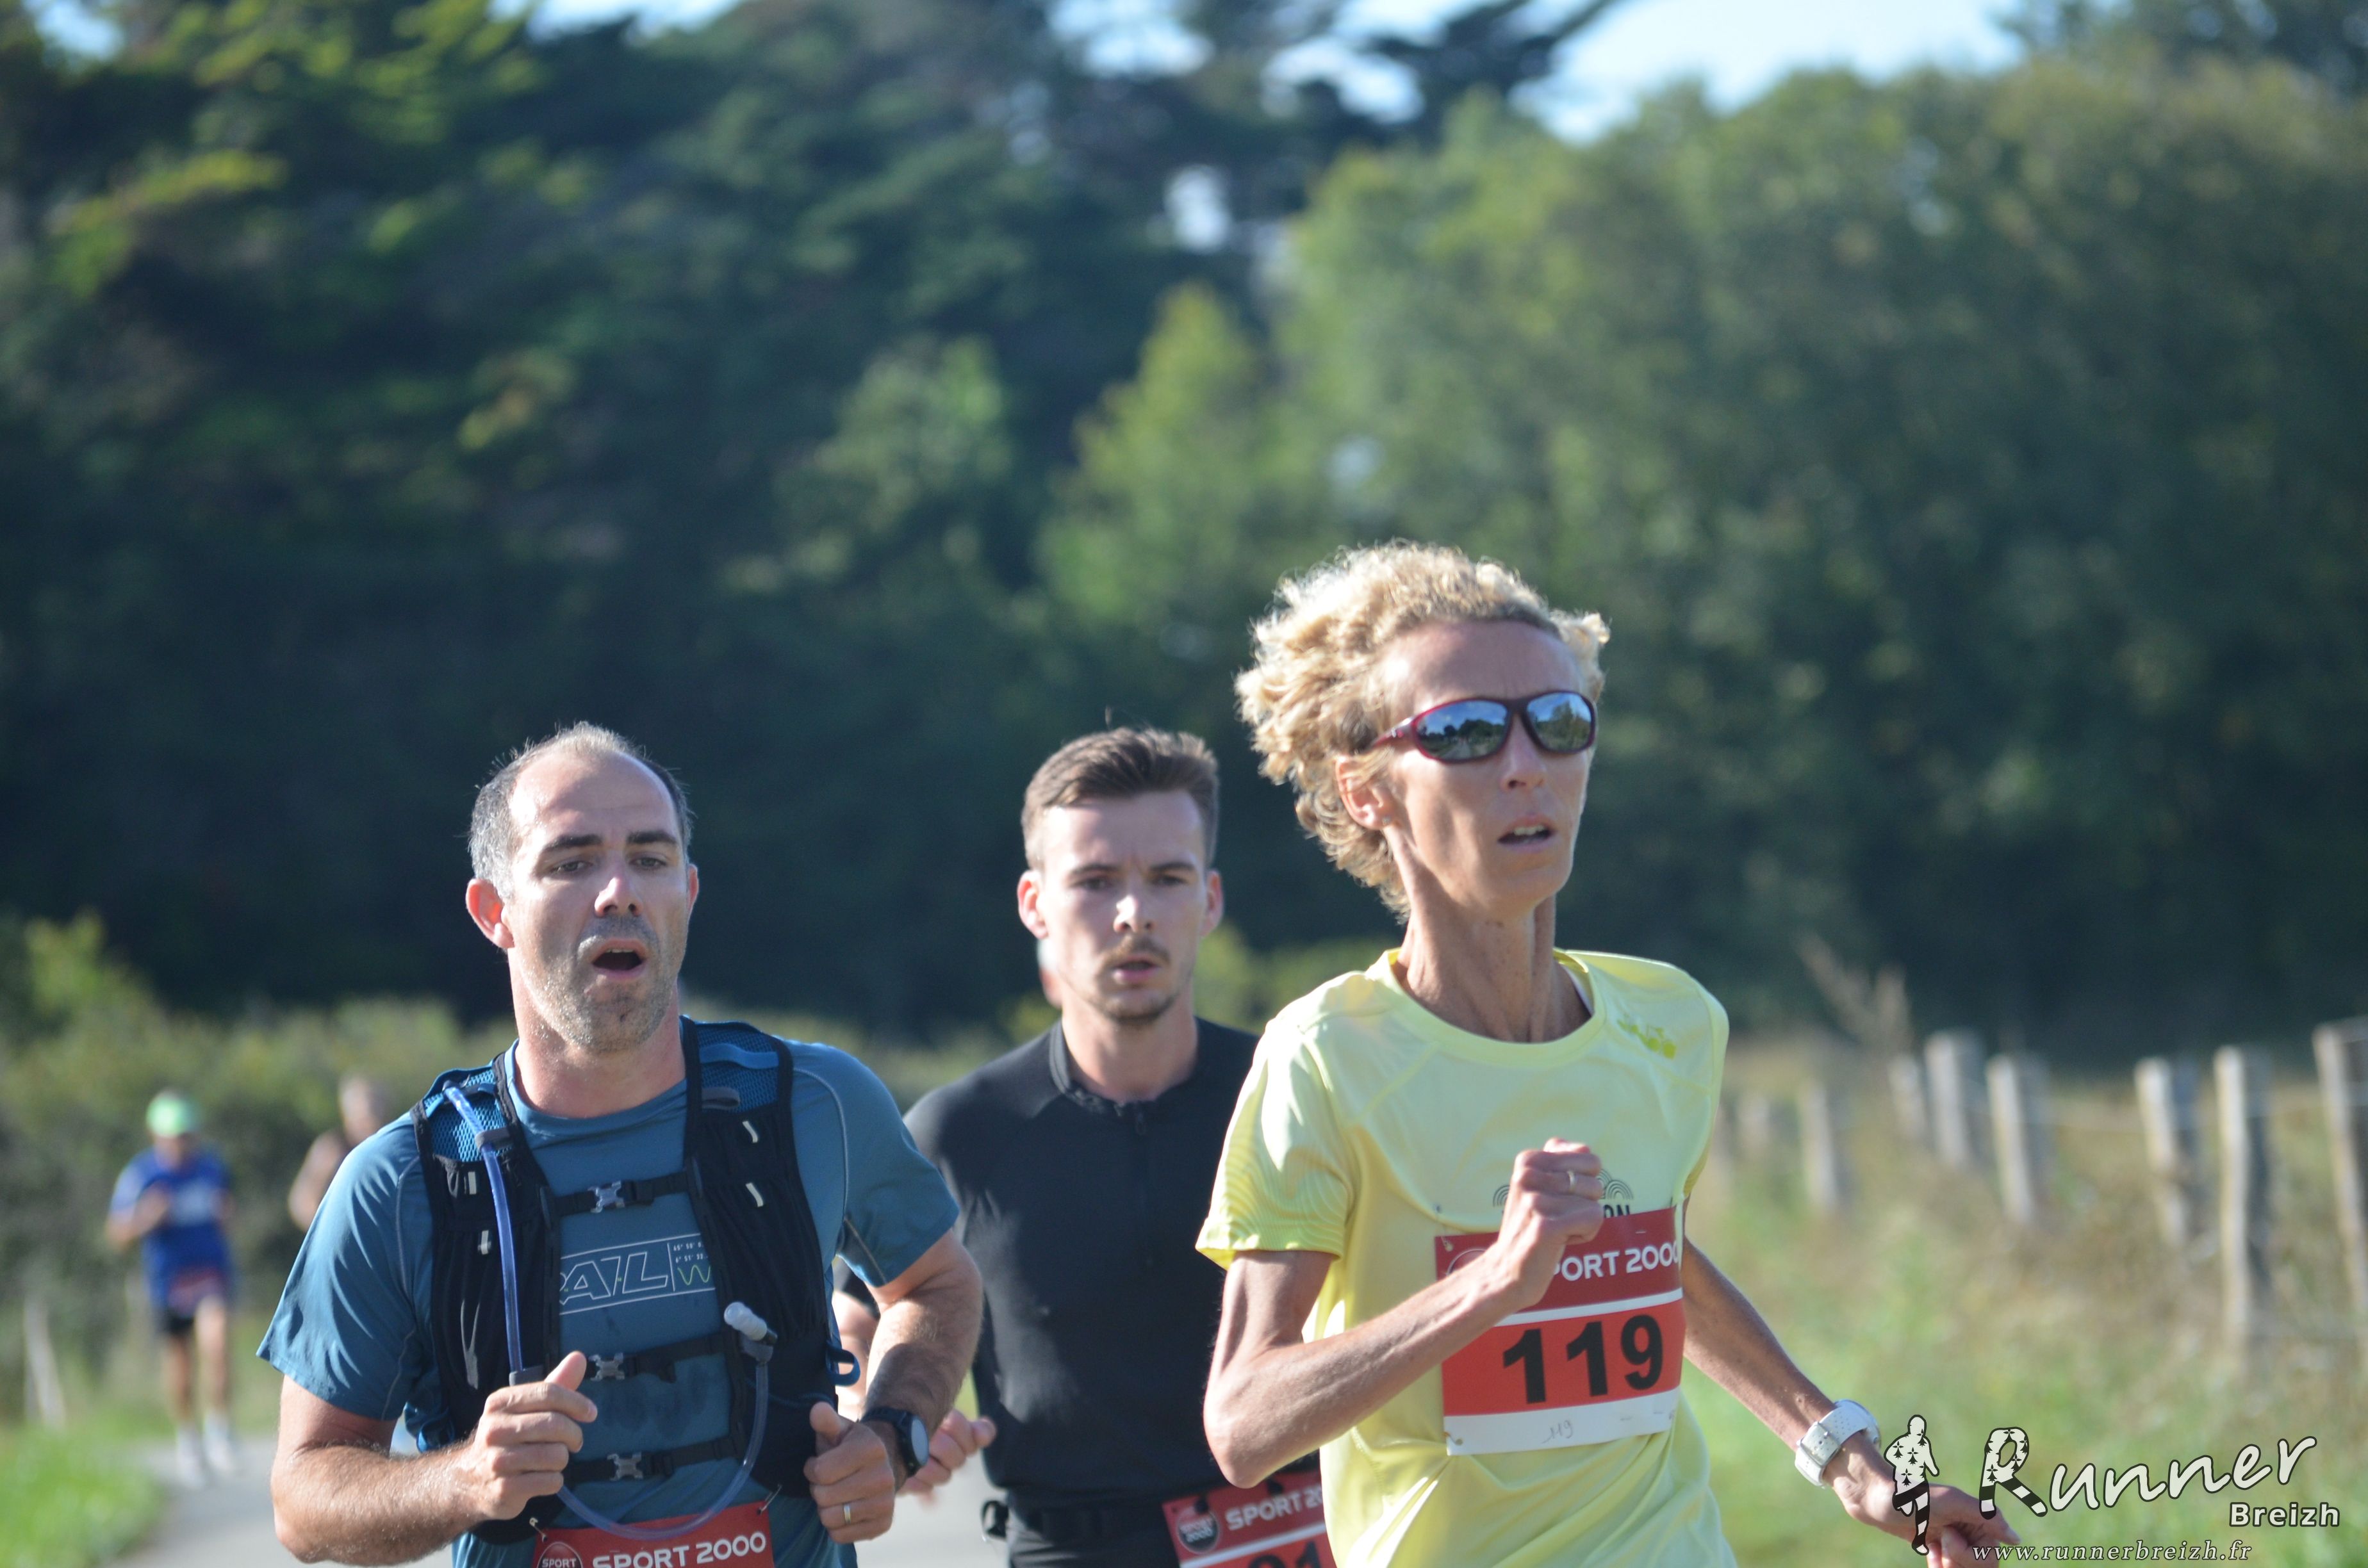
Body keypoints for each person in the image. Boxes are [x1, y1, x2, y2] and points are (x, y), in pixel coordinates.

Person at [1196, 543, 2018, 1567]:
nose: (1525, 764)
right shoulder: (1327, 1057)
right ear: (1367, 790)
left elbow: (1648, 1259)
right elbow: (1244, 1424)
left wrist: (1847, 1459)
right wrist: (1492, 1285)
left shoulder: (1671, 1024)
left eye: (1558, 721)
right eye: (1464, 732)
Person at [263, 723, 983, 1568]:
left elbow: (936, 1284)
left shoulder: (815, 1103)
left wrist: (893, 1434)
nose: (618, 892)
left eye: (650, 858)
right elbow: (303, 1500)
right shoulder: (402, 1181)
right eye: (571, 863)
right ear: (494, 912)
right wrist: (461, 1481)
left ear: (689, 890)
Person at [835, 728, 1312, 1568]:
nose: (1134, 914)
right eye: (1095, 882)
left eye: (1167, 878)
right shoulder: (961, 1130)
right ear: (1035, 904)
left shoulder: (1299, 1096)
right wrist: (887, 1418)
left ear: (1209, 900)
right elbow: (858, 1321)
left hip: (1299, 1535)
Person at [109, 1090, 239, 1485]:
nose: (182, 1144)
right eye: (174, 1137)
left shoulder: (211, 1168)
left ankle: (220, 1432)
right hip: (170, 1283)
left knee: (217, 1345)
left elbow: (228, 1215)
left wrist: (226, 1215)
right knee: (181, 1366)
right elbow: (117, 1234)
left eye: (187, 1135)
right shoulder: (141, 1175)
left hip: (210, 1276)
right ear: (157, 1136)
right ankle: (189, 1440)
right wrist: (146, 1219)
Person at [288, 1075, 390, 1231]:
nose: (370, 1124)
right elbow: (302, 1203)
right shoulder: (331, 1149)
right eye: (363, 1117)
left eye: (375, 1113)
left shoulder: (389, 1150)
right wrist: (330, 1229)